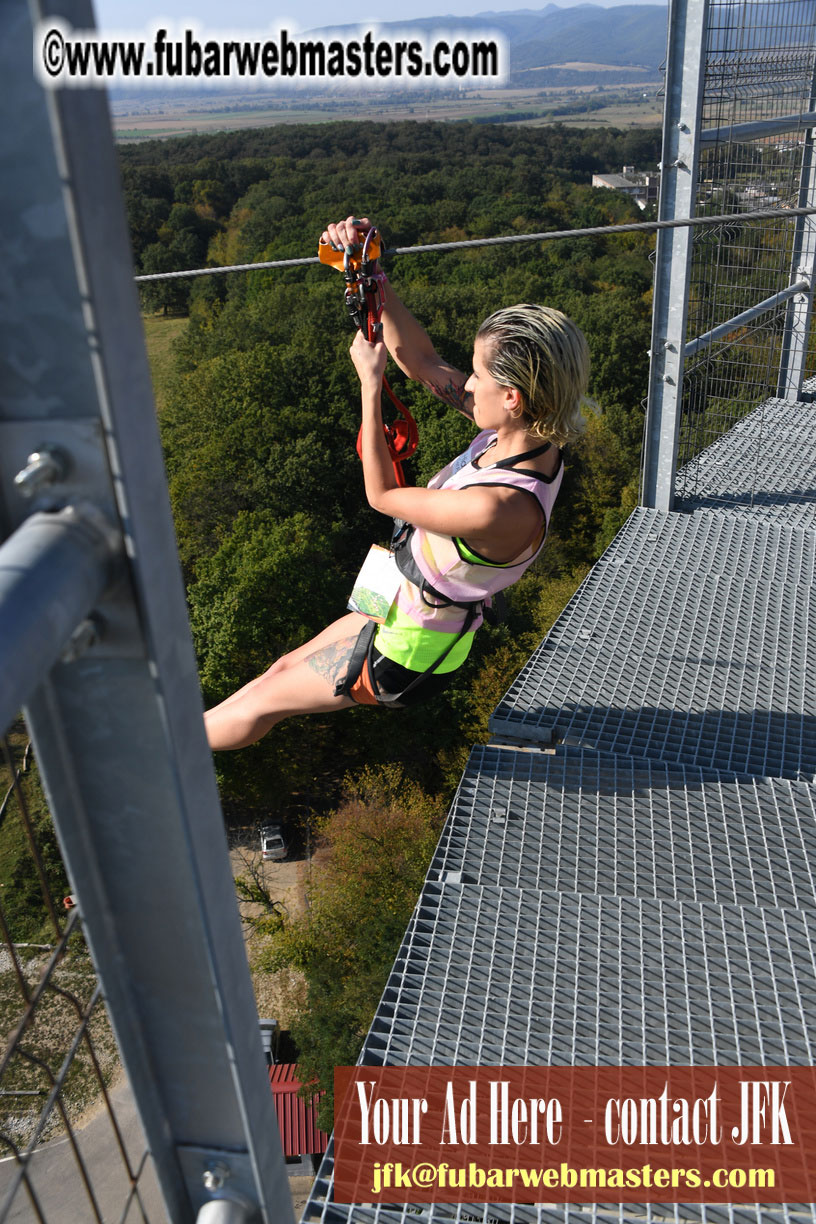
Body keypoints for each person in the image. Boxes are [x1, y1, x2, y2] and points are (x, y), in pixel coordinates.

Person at [204, 216, 589, 751]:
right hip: (399, 593)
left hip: (405, 649)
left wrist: (369, 385)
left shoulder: (500, 508)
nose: (466, 381)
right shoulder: (521, 437)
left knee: (265, 700)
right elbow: (423, 363)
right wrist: (374, 278)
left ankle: (158, 754)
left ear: (512, 398)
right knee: (277, 672)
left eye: (477, 374)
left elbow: (381, 495)